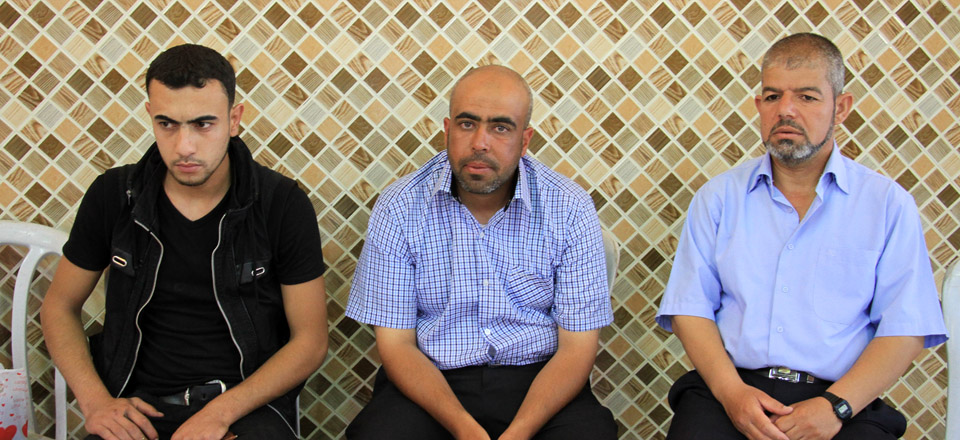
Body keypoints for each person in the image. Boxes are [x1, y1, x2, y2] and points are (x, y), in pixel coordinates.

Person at [656, 33, 948, 440]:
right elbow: (690, 309)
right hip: (732, 390)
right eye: (772, 96)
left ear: (840, 108)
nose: (786, 110)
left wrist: (836, 407)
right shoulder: (718, 198)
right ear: (759, 105)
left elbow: (906, 328)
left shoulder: (887, 204)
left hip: (840, 400)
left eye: (807, 97)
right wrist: (732, 394)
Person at [40, 44, 328, 440]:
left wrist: (220, 414)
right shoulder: (114, 195)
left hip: (243, 407)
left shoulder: (280, 203)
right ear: (150, 117)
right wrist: (96, 403)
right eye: (167, 124)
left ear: (234, 119)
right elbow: (59, 306)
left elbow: (310, 341)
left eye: (203, 124)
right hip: (136, 408)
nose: (184, 147)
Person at [344, 65, 617, 440]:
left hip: (539, 380)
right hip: (432, 380)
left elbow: (576, 350)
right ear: (447, 130)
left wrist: (519, 432)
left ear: (525, 140)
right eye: (467, 124)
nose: (480, 143)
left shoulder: (569, 207)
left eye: (501, 128)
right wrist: (464, 428)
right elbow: (396, 345)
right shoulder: (399, 206)